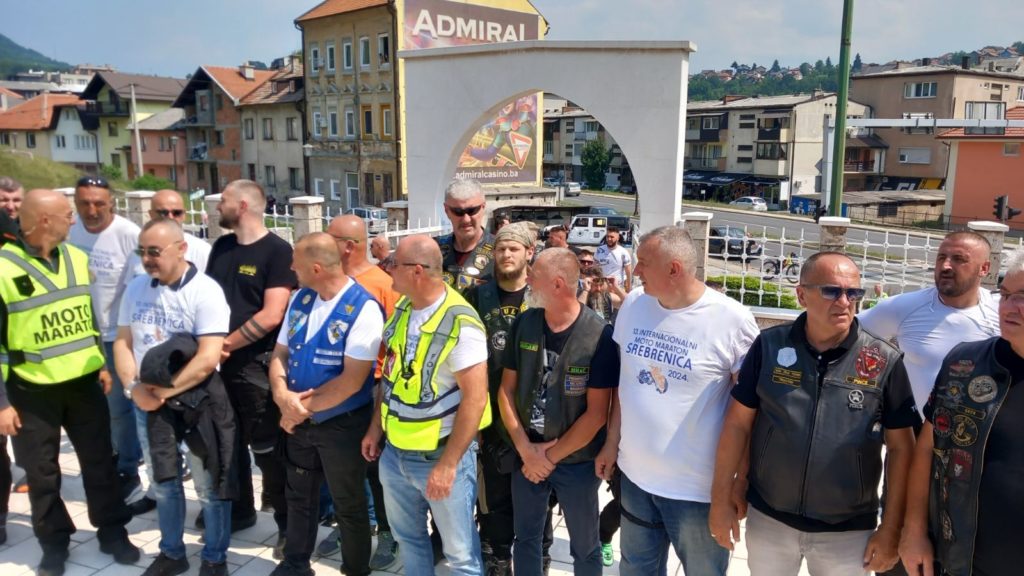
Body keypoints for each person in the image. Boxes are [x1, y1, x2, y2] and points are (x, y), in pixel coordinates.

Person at [710, 252, 920, 575]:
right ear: (801, 294)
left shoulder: (883, 360)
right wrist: (722, 496)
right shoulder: (769, 347)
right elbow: (738, 424)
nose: (845, 301)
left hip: (848, 532)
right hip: (770, 519)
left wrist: (891, 528)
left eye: (854, 293)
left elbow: (902, 448)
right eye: (832, 291)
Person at [595, 226, 759, 576]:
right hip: (636, 480)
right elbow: (627, 384)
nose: (635, 272)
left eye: (643, 263)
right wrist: (611, 443)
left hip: (697, 493)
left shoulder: (732, 321)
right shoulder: (635, 304)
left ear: (674, 269)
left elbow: (748, 414)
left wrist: (737, 483)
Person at [0, 189, 139, 576]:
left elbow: (87, 315)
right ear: (44, 220)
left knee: (100, 464)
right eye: (66, 214)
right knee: (42, 474)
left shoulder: (77, 258)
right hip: (31, 391)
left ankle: (113, 532)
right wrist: (1, 404)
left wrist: (101, 364)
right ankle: (54, 542)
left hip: (83, 385)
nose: (73, 219)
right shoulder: (3, 269)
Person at [363, 235, 490, 575]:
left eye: (393, 263)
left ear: (416, 271)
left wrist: (449, 465)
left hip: (440, 455)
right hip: (395, 453)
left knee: (460, 556)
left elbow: (476, 399)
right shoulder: (404, 309)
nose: (386, 268)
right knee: (410, 540)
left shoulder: (461, 323)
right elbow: (390, 377)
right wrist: (376, 428)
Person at [113, 219, 234, 576]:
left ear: (181, 249)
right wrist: (133, 389)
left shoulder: (206, 291)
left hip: (197, 402)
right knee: (163, 482)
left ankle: (214, 557)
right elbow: (123, 342)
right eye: (143, 252)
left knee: (209, 486)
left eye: (155, 251)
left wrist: (163, 392)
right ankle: (172, 553)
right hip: (147, 401)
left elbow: (209, 358)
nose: (148, 259)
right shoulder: (136, 288)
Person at [899, 249, 1024, 576]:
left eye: (1023, 297)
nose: (1009, 307)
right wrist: (913, 531)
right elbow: (927, 449)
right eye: (1006, 295)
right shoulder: (964, 364)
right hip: (963, 561)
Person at [267, 233, 384, 576]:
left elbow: (352, 380)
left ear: (316, 268)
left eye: (297, 264)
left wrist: (297, 409)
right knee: (299, 498)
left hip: (341, 425)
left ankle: (355, 569)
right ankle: (295, 564)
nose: (291, 269)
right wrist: (281, 396)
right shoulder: (301, 299)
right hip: (299, 422)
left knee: (349, 505)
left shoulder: (362, 308)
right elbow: (280, 354)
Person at [498, 248, 618, 576]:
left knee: (585, 546)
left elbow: (597, 414)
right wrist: (526, 450)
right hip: (527, 455)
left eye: (534, 275)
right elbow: (506, 391)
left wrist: (548, 458)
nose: (528, 282)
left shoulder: (599, 335)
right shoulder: (525, 323)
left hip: (576, 462)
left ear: (558, 284)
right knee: (526, 540)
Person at [206, 179, 296, 548]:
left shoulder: (277, 251)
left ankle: (288, 528)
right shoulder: (222, 246)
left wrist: (223, 345)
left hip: (254, 366)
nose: (216, 207)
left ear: (243, 205)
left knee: (268, 450)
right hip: (217, 366)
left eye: (223, 200)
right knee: (226, 443)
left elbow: (274, 313)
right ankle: (239, 510)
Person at [324, 214, 401, 570]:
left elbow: (396, 343)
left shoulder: (383, 284)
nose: (324, 243)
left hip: (371, 388)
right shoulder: (326, 281)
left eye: (330, 237)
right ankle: (352, 523)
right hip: (331, 389)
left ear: (349, 245)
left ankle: (387, 533)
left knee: (375, 466)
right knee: (343, 466)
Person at [463, 222, 536, 575]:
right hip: (488, 418)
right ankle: (495, 558)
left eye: (514, 249)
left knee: (535, 497)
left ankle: (538, 557)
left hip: (535, 421)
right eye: (501, 249)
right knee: (491, 498)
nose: (506, 255)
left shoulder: (542, 297)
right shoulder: (477, 297)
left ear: (528, 254)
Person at [859, 231, 999, 414]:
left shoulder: (1003, 311)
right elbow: (844, 332)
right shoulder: (904, 307)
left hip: (981, 436)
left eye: (958, 259)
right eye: (941, 257)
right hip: (917, 434)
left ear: (984, 268)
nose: (946, 265)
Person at [67, 175, 145, 505]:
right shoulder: (71, 231)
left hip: (115, 335)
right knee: (90, 407)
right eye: (85, 203)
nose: (92, 209)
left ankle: (127, 468)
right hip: (79, 334)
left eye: (99, 203)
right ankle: (106, 458)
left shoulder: (127, 234)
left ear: (111, 202)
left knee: (118, 409)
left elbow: (140, 286)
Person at [436, 179, 495, 292]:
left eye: (472, 210)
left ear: (483, 207)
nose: (466, 219)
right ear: (446, 210)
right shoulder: (434, 250)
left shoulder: (501, 250)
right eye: (458, 212)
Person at [150, 189, 211, 271]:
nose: (170, 217)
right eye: (163, 213)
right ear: (151, 214)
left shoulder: (202, 251)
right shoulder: (140, 252)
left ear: (184, 215)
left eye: (176, 213)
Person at [595, 226, 632, 292]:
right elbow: (595, 267)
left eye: (612, 237)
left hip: (617, 289)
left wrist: (628, 287)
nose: (609, 239)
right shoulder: (599, 250)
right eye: (607, 236)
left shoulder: (623, 252)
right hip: (601, 287)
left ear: (618, 238)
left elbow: (628, 272)